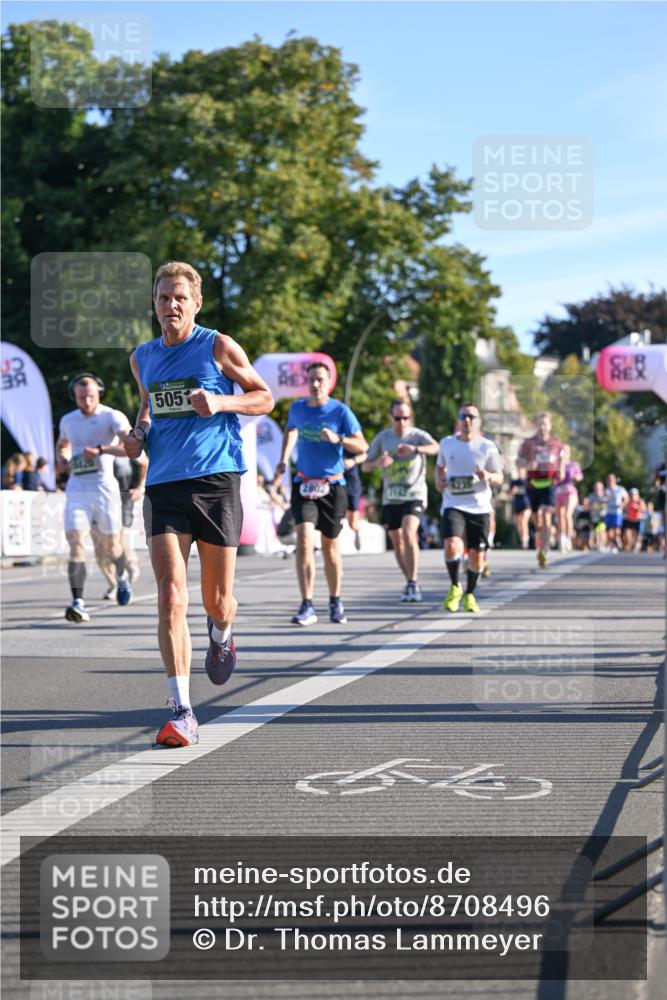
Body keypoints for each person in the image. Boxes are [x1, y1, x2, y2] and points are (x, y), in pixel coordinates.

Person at [124, 261, 273, 747]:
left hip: (216, 482)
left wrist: (221, 402)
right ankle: (182, 710)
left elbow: (264, 397)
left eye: (180, 298)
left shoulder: (217, 346)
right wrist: (138, 434)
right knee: (170, 594)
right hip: (164, 485)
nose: (171, 305)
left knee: (218, 602)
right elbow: (147, 408)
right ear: (154, 303)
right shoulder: (142, 357)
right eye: (163, 298)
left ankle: (221, 632)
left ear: (196, 303)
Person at [274, 361, 367, 626]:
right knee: (304, 539)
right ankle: (307, 604)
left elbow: (362, 445)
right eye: (311, 380)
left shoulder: (340, 411)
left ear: (329, 383)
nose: (315, 384)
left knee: (330, 547)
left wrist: (339, 439)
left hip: (333, 486)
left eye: (320, 380)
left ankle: (335, 600)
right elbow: (291, 430)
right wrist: (283, 459)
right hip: (304, 483)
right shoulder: (297, 408)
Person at [56, 373, 133, 622]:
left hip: (104, 488)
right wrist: (63, 458)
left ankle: (122, 578)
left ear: (99, 392)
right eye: (81, 398)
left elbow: (130, 447)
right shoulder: (68, 419)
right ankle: (77, 602)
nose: (87, 402)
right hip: (77, 488)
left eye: (90, 396)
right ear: (75, 396)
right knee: (76, 543)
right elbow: (63, 444)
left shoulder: (112, 416)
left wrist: (101, 449)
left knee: (112, 546)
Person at [363, 399, 438, 602]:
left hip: (414, 494)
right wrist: (378, 462)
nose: (402, 422)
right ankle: (410, 580)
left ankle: (412, 583)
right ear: (391, 417)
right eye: (397, 418)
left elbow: (436, 447)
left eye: (406, 417)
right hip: (391, 497)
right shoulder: (383, 438)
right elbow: (365, 466)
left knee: (408, 532)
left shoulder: (417, 436)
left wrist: (417, 450)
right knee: (397, 543)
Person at [436, 404, 503, 614]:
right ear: (458, 420)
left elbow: (500, 477)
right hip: (453, 503)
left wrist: (488, 476)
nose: (467, 420)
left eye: (472, 417)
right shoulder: (447, 443)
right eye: (463, 416)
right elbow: (440, 467)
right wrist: (439, 480)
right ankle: (455, 586)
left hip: (479, 506)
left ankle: (470, 594)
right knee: (452, 545)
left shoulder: (487, 447)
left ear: (478, 421)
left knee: (477, 554)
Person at [518, 412, 566, 568]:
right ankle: (541, 539)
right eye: (539, 424)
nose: (542, 427)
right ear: (535, 425)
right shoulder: (528, 443)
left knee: (546, 514)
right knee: (537, 519)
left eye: (544, 424)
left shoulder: (556, 442)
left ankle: (544, 551)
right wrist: (526, 465)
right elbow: (518, 460)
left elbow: (564, 454)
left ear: (550, 426)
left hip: (549, 483)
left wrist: (562, 468)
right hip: (533, 484)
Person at [95, 455, 147, 599]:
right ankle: (114, 584)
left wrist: (140, 488)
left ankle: (129, 567)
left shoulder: (125, 445)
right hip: (98, 500)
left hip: (123, 499)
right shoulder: (93, 446)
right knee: (100, 549)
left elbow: (145, 463)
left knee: (118, 542)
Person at [555, 456, 583, 551]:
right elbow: (554, 478)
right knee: (560, 517)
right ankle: (562, 538)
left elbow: (580, 476)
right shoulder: (556, 464)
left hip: (570, 491)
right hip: (559, 492)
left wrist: (576, 476)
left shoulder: (573, 464)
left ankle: (568, 538)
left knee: (567, 515)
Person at [344, 448, 367, 551]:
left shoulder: (350, 440)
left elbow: (364, 454)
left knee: (352, 523)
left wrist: (353, 461)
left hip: (351, 481)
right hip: (332, 481)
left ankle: (356, 530)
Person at [604, 473, 628, 551]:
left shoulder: (620, 489)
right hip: (608, 512)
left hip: (617, 512)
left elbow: (626, 498)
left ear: (614, 480)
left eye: (611, 479)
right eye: (608, 479)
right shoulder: (606, 490)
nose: (610, 481)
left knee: (616, 529)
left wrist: (623, 504)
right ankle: (612, 544)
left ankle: (617, 539)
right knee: (609, 530)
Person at [510, 462, 531, 549]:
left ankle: (526, 539)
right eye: (519, 470)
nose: (520, 472)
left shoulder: (528, 481)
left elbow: (530, 491)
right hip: (517, 504)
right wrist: (512, 491)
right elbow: (510, 493)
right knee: (518, 523)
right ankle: (522, 539)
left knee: (523, 521)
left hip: (527, 504)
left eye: (522, 470)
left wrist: (519, 490)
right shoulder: (514, 482)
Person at [622, 488, 646, 552]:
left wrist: (637, 506)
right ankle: (630, 544)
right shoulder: (628, 501)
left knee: (637, 535)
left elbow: (644, 509)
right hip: (629, 519)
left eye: (634, 494)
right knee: (627, 533)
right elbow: (624, 508)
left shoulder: (640, 500)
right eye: (631, 494)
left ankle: (636, 545)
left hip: (637, 520)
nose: (632, 496)